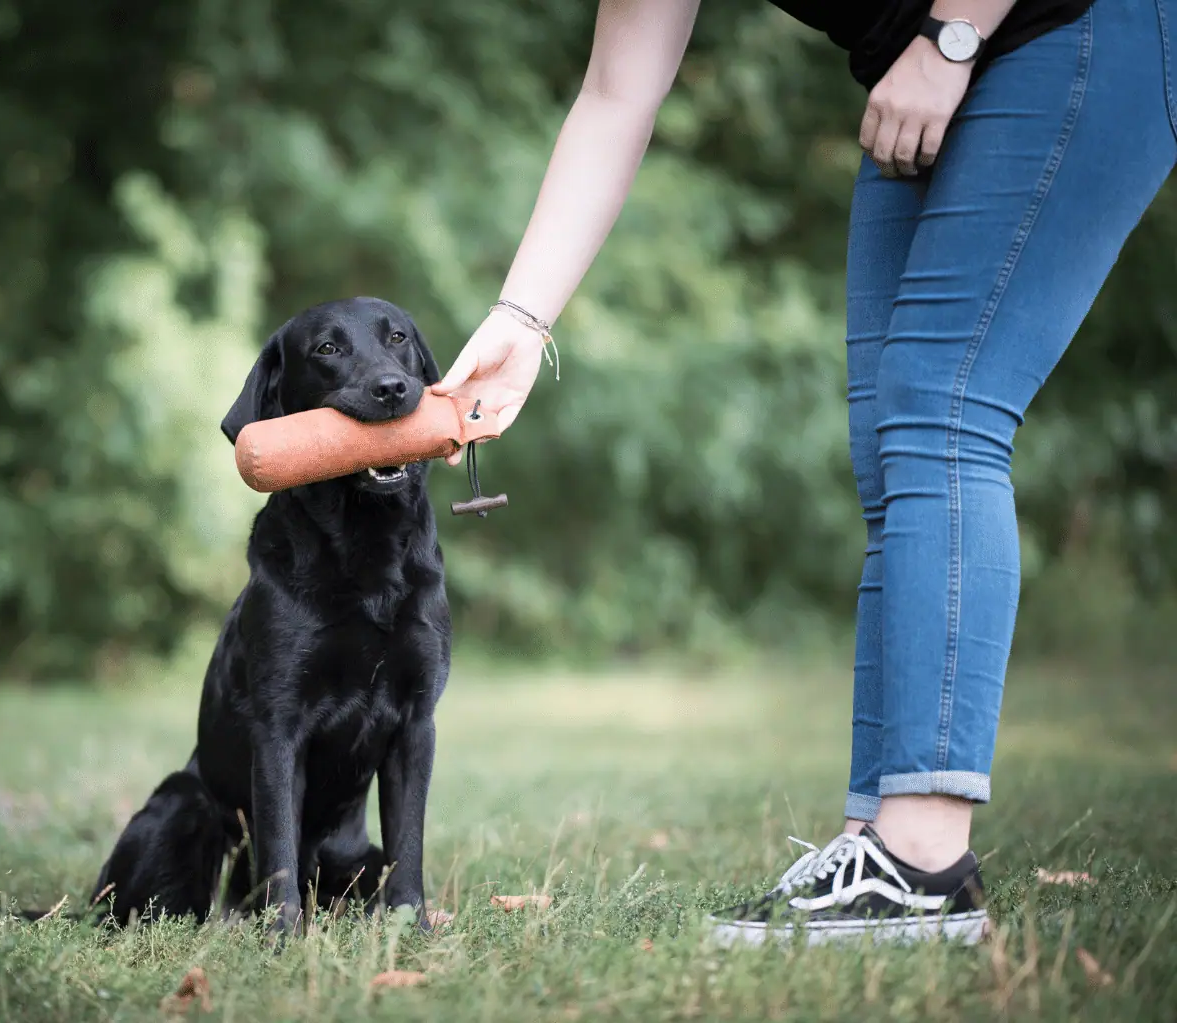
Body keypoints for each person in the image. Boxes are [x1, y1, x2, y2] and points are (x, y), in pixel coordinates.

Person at [432, 0, 1174, 945]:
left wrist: (952, 41)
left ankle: (922, 866)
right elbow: (618, 93)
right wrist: (523, 321)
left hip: (1067, 26)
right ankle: (878, 841)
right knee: (894, 447)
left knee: (940, 411)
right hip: (928, 60)